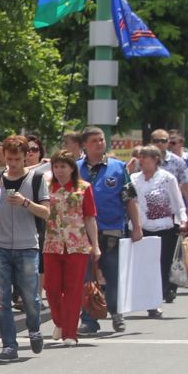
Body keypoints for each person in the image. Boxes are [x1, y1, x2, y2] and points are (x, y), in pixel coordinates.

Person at [78, 128, 143, 335]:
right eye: (94, 141)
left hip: (112, 229)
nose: (99, 144)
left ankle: (116, 313)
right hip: (81, 231)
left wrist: (137, 226)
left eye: (102, 140)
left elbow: (129, 199)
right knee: (86, 276)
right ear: (85, 145)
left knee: (113, 274)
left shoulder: (118, 167)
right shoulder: (76, 168)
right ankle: (88, 320)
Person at [0, 135, 48, 361]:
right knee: (2, 299)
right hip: (0, 246)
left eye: (17, 159)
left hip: (27, 246)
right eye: (9, 158)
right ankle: (9, 346)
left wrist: (26, 202)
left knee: (30, 298)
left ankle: (34, 329)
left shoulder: (37, 178)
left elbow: (46, 212)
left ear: (25, 157)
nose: (13, 163)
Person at [40, 150, 98, 342]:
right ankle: (60, 321)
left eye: (63, 166)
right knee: (51, 287)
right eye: (56, 166)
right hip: (52, 243)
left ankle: (70, 333)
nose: (59, 170)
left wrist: (95, 245)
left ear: (72, 168)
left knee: (73, 289)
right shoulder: (46, 188)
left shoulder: (84, 187)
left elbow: (90, 218)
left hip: (77, 245)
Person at [131, 145, 187, 318]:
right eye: (140, 157)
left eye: (145, 157)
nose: (141, 161)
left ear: (155, 159)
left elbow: (177, 202)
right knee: (144, 268)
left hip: (165, 229)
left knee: (160, 267)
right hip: (141, 229)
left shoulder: (167, 178)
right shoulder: (133, 178)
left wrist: (183, 219)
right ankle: (146, 299)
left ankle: (155, 303)